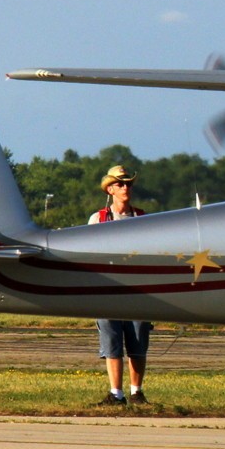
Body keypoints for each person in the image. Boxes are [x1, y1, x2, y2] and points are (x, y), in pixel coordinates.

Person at [89, 165, 152, 405]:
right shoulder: (98, 219)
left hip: (138, 291)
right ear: (110, 189)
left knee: (138, 341)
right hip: (108, 290)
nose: (126, 188)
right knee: (112, 341)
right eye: (120, 184)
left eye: (128, 184)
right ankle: (116, 393)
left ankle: (137, 392)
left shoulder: (143, 218)